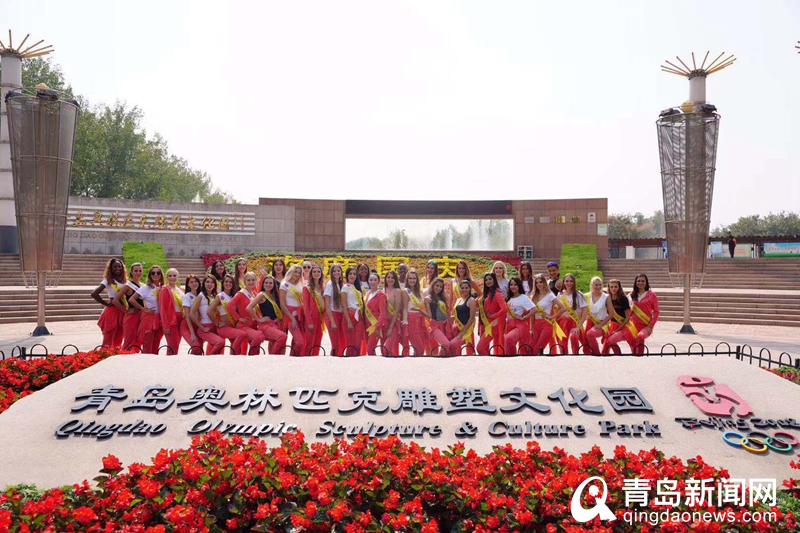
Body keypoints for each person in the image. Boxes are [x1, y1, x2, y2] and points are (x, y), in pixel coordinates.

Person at [607, 273, 659, 355]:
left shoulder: (652, 295)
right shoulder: (631, 295)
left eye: (643, 281)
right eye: (638, 281)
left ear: (646, 282)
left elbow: (656, 312)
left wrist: (650, 326)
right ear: (635, 282)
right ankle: (619, 357)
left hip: (645, 326)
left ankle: (639, 358)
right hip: (631, 325)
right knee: (611, 340)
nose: (640, 283)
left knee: (640, 337)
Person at [246, 276, 289, 355]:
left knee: (276, 343)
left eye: (270, 283)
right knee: (283, 336)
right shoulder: (261, 295)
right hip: (266, 326)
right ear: (263, 284)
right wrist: (258, 319)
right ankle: (273, 357)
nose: (268, 284)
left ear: (273, 285)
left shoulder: (274, 295)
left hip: (275, 324)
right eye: (266, 283)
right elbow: (248, 308)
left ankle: (273, 359)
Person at [128, 265, 165, 354]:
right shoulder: (146, 287)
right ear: (150, 275)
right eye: (153, 273)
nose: (155, 275)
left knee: (156, 344)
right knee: (147, 343)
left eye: (158, 273)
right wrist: (144, 309)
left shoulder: (163, 287)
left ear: (161, 275)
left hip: (159, 318)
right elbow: (131, 299)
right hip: (149, 317)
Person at [228, 272, 266, 355]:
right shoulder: (240, 293)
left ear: (256, 281)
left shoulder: (254, 293)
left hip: (254, 325)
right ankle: (250, 356)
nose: (251, 282)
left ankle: (253, 358)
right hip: (244, 325)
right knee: (259, 336)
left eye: (253, 280)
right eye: (248, 280)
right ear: (244, 281)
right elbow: (229, 306)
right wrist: (239, 318)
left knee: (257, 344)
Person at [92, 258, 127, 349]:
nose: (117, 268)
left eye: (119, 266)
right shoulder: (107, 280)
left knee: (119, 336)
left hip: (122, 309)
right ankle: (105, 354)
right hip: (112, 311)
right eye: (115, 267)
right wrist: (106, 304)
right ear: (110, 268)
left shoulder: (125, 281)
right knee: (109, 336)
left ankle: (116, 354)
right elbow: (94, 294)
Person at [208, 274, 247, 354]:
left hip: (233, 325)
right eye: (226, 282)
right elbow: (209, 311)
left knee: (237, 348)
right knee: (241, 334)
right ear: (223, 283)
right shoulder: (220, 296)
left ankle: (233, 358)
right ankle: (213, 357)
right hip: (224, 327)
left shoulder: (234, 296)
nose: (228, 283)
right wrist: (217, 323)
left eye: (230, 282)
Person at [530, 273, 567, 354]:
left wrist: (552, 317)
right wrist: (531, 328)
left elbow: (563, 308)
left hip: (547, 324)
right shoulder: (534, 296)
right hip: (536, 324)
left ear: (544, 283)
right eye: (537, 282)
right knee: (531, 349)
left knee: (538, 349)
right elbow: (532, 314)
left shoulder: (550, 295)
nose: (539, 284)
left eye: (540, 282)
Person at [190, 275, 225, 355]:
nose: (209, 284)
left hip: (214, 326)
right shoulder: (201, 296)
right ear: (204, 283)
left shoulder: (215, 296)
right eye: (207, 282)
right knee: (220, 342)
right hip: (204, 328)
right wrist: (202, 328)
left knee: (219, 348)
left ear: (215, 284)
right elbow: (191, 314)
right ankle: (208, 359)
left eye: (212, 282)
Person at [579, 276, 615, 355]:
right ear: (591, 285)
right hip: (590, 322)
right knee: (586, 347)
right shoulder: (586, 296)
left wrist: (600, 325)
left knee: (590, 334)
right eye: (596, 285)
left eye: (600, 285)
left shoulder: (606, 297)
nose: (598, 287)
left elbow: (611, 314)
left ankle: (597, 354)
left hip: (602, 323)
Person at [112, 262, 143, 352]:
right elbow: (115, 300)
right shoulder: (127, 286)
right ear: (131, 272)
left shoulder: (143, 285)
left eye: (140, 271)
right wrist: (126, 311)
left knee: (139, 341)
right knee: (129, 341)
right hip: (131, 316)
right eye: (136, 271)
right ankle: (124, 358)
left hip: (142, 315)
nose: (138, 273)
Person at [556, 274, 588, 354]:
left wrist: (579, 326)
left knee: (574, 337)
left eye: (571, 281)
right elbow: (557, 309)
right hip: (563, 321)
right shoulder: (560, 295)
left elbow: (585, 312)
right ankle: (563, 356)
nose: (569, 283)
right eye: (567, 281)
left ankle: (575, 355)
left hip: (575, 321)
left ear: (574, 282)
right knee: (562, 341)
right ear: (563, 282)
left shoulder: (579, 295)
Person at [476, 272, 507, 355]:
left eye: (490, 279)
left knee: (480, 348)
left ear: (494, 280)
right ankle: (488, 362)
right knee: (485, 348)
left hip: (492, 325)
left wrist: (493, 316)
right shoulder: (485, 294)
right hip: (484, 324)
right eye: (486, 280)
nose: (488, 281)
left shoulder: (497, 293)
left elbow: (504, 309)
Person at [279, 264, 307, 355]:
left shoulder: (300, 284)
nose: (297, 274)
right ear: (291, 272)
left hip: (300, 315)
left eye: (299, 273)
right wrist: (292, 319)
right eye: (295, 272)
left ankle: (294, 357)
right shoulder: (284, 284)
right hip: (290, 316)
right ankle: (291, 356)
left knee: (298, 341)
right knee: (299, 342)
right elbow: (282, 305)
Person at [503, 277, 535, 355]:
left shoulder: (523, 297)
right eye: (511, 285)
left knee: (508, 339)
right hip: (509, 324)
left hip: (519, 325)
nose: (513, 286)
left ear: (519, 286)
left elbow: (535, 309)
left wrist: (524, 317)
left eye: (515, 285)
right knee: (507, 344)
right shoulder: (508, 298)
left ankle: (513, 358)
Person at [158, 268, 185, 355]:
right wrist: (165, 325)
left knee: (177, 344)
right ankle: (169, 361)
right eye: (170, 276)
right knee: (173, 345)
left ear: (178, 276)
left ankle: (174, 361)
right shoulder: (164, 290)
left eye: (174, 275)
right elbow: (162, 309)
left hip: (181, 319)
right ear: (167, 277)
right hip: (171, 320)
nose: (172, 278)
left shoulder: (180, 289)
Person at [404, 269, 429, 356]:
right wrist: (405, 321)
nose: (412, 280)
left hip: (420, 321)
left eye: (414, 278)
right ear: (407, 279)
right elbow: (404, 308)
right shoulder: (405, 291)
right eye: (410, 278)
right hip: (411, 320)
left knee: (421, 349)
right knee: (419, 348)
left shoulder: (420, 292)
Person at [602, 279, 631, 355]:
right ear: (609, 288)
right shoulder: (607, 298)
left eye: (615, 287)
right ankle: (616, 355)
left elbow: (627, 317)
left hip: (622, 326)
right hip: (611, 325)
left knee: (611, 341)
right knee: (605, 348)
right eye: (611, 287)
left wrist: (618, 330)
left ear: (619, 287)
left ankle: (618, 356)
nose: (613, 289)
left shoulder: (623, 299)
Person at [340, 266, 365, 356]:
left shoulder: (358, 288)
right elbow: (343, 305)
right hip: (349, 316)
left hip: (359, 316)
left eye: (354, 274)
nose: (352, 276)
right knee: (351, 344)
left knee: (358, 343)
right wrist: (348, 321)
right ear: (347, 275)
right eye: (350, 274)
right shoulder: (345, 287)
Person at [303, 263, 326, 355]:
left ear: (321, 273)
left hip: (320, 319)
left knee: (317, 343)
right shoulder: (307, 288)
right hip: (311, 319)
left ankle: (315, 361)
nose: (316, 273)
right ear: (311, 274)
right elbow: (306, 307)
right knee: (309, 344)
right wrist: (309, 322)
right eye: (314, 272)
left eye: (318, 272)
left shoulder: (323, 287)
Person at [449, 279, 477, 355]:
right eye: (462, 288)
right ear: (459, 289)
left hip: (466, 331)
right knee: (452, 347)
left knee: (453, 345)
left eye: (466, 288)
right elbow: (457, 314)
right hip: (457, 329)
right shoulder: (458, 300)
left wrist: (463, 331)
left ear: (470, 288)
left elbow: (472, 318)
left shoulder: (471, 300)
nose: (464, 290)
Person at [425, 277, 451, 355]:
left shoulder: (442, 298)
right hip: (434, 326)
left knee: (448, 345)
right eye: (437, 285)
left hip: (444, 324)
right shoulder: (428, 298)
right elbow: (429, 315)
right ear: (433, 285)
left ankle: (440, 358)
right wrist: (419, 311)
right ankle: (440, 358)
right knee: (446, 344)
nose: (438, 288)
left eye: (441, 287)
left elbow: (446, 313)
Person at [323, 263, 344, 356]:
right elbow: (327, 304)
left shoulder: (341, 284)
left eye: (338, 271)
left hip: (341, 314)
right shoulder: (330, 284)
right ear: (331, 273)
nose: (336, 273)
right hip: (332, 314)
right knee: (336, 343)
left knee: (342, 342)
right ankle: (333, 359)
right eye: (334, 271)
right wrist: (332, 321)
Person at [364, 272, 387, 355]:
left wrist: (378, 327)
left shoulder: (381, 295)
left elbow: (383, 312)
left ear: (378, 281)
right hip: (367, 325)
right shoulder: (367, 294)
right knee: (370, 351)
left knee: (369, 348)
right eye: (371, 280)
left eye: (375, 280)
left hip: (375, 325)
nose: (372, 282)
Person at [180, 275, 203, 355]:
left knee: (200, 350)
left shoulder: (201, 295)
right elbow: (187, 316)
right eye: (191, 282)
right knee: (195, 346)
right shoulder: (187, 296)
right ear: (188, 284)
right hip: (187, 325)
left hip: (197, 324)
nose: (194, 283)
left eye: (196, 281)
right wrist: (192, 333)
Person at [383, 270, 403, 355]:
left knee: (386, 349)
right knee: (385, 351)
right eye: (388, 277)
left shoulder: (397, 291)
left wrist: (391, 328)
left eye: (392, 278)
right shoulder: (383, 291)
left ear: (395, 279)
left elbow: (397, 310)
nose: (390, 279)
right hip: (384, 323)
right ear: (385, 279)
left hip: (394, 323)